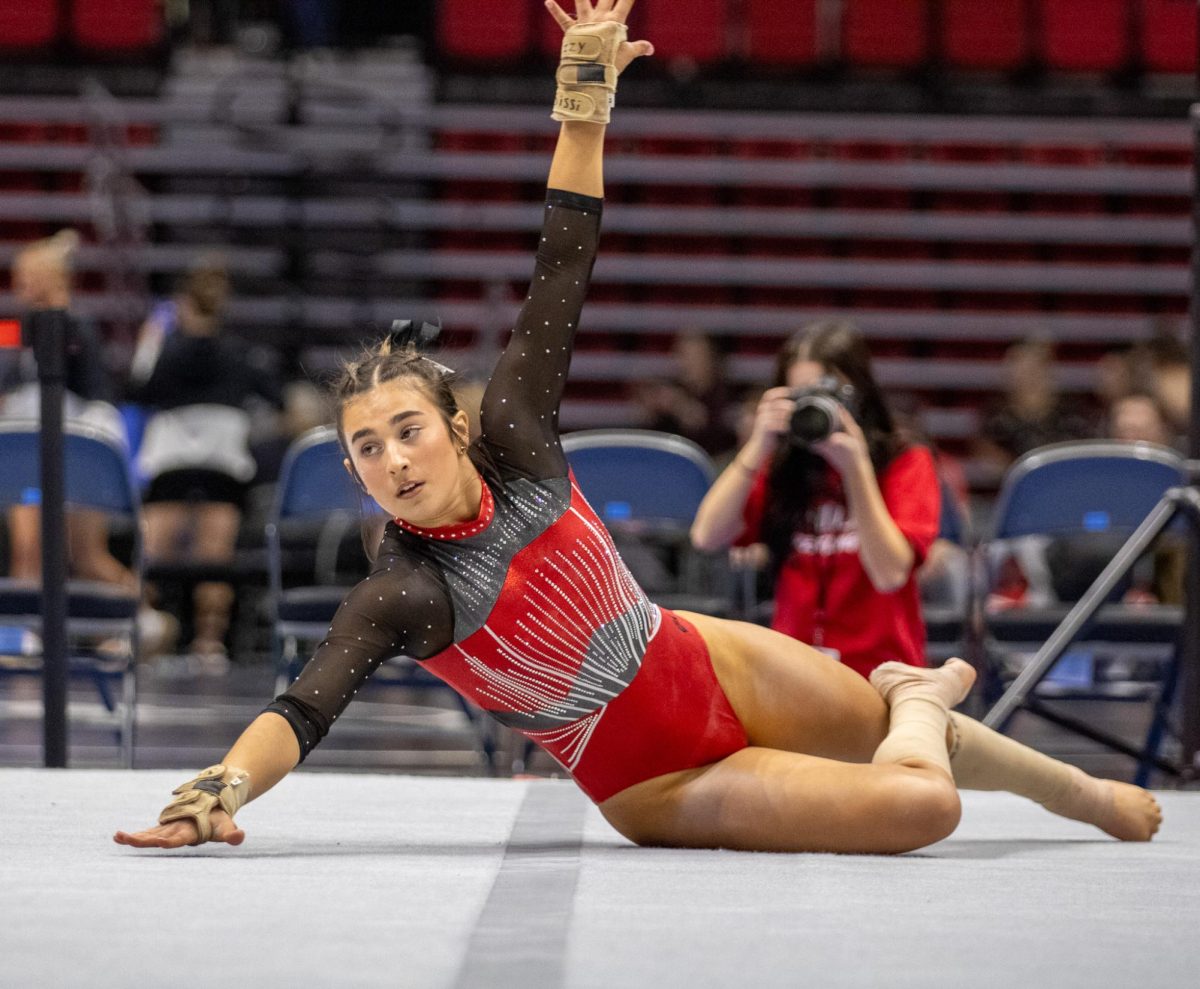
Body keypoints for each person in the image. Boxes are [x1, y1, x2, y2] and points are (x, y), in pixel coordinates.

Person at [115, 0, 1160, 856]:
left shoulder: (517, 440)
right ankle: (922, 694)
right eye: (365, 448)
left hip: (705, 653)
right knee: (918, 803)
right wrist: (218, 786)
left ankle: (1074, 792)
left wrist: (585, 101)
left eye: (404, 429)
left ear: (456, 424)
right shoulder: (403, 589)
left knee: (880, 732)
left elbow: (560, 267)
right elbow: (303, 705)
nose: (390, 458)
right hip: (658, 776)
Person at [690, 320, 941, 679]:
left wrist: (856, 470)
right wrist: (758, 443)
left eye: (828, 394)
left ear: (861, 392)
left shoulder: (904, 460)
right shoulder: (784, 465)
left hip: (883, 672)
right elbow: (706, 535)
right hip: (798, 675)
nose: (815, 407)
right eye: (800, 396)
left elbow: (889, 574)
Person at [129, 257, 282, 668]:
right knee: (215, 554)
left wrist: (150, 342)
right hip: (222, 461)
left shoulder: (168, 352)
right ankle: (208, 643)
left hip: (172, 460)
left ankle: (151, 633)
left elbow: (137, 389)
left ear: (182, 304)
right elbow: (278, 400)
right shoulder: (240, 353)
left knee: (155, 553)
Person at [0, 230, 134, 592]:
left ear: (52, 278)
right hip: (31, 453)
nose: (18, 285)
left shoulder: (77, 327)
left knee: (86, 557)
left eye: (26, 276)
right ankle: (26, 637)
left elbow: (94, 395)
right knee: (29, 550)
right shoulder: (23, 329)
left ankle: (145, 617)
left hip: (80, 448)